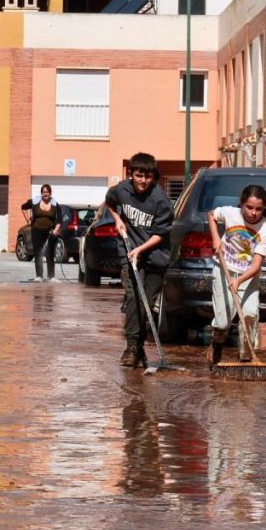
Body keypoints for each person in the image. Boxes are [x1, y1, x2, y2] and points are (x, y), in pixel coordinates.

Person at [105, 152, 174, 368]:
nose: (143, 181)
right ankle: (131, 347)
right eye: (139, 175)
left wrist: (141, 250)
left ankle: (140, 348)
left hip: (155, 256)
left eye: (148, 176)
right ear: (131, 174)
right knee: (134, 298)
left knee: (146, 304)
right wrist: (117, 220)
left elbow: (160, 235)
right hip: (129, 250)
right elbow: (109, 201)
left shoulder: (161, 200)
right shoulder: (122, 190)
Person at [206, 185, 266, 365]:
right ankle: (218, 340)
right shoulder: (229, 213)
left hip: (248, 276)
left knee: (250, 314)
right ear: (242, 204)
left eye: (258, 209)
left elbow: (256, 265)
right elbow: (211, 215)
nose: (253, 213)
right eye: (249, 207)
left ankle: (245, 356)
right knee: (222, 322)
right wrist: (215, 237)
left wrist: (240, 280)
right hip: (223, 269)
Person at [20, 184, 65, 282]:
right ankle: (39, 276)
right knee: (38, 253)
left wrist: (56, 230)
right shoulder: (35, 201)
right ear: (41, 193)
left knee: (50, 253)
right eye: (44, 192)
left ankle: (51, 276)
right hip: (36, 230)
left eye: (47, 192)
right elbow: (23, 207)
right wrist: (28, 220)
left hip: (50, 232)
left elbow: (60, 220)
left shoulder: (55, 204)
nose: (45, 194)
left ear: (50, 193)